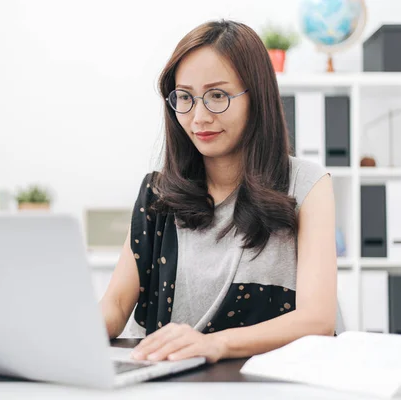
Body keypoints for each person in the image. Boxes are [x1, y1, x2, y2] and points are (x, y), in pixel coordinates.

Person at [98, 19, 337, 364]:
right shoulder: (158, 192)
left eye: (217, 96)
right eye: (185, 97)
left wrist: (216, 344)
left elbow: (318, 319)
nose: (198, 117)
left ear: (257, 97)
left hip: (265, 385)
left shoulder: (307, 185)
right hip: (166, 382)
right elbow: (116, 304)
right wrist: (66, 331)